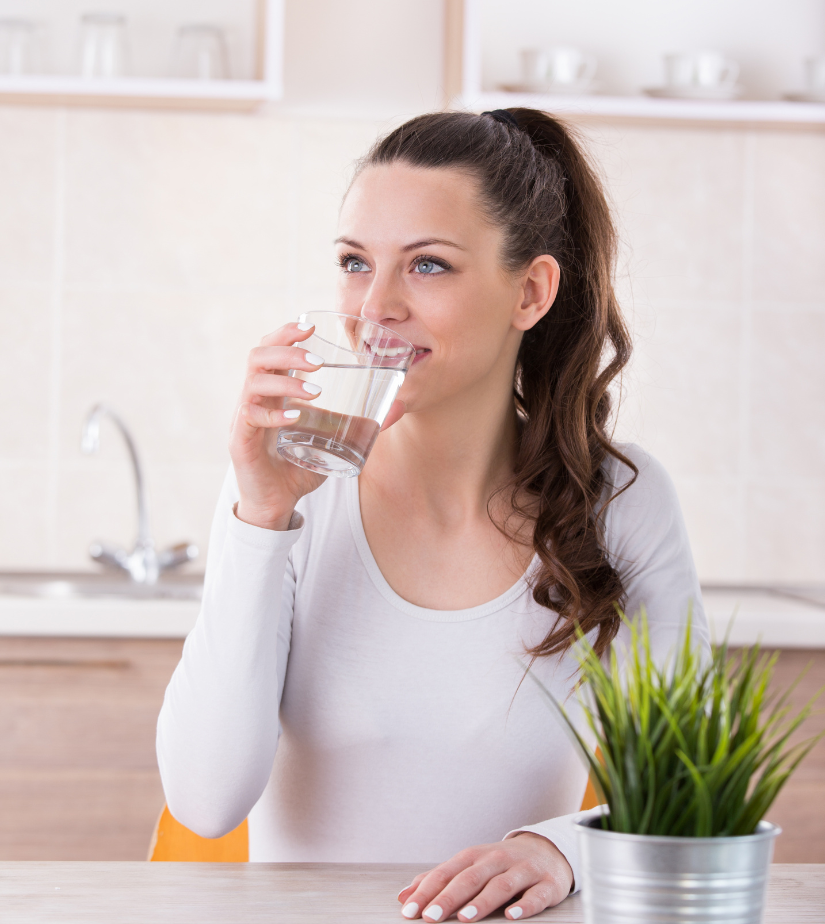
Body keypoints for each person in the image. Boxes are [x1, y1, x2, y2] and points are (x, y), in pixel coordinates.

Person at [156, 108, 708, 921]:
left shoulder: (619, 500)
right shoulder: (283, 491)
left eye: (428, 267)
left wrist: (561, 847)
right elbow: (205, 802)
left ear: (530, 291)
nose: (373, 306)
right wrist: (259, 516)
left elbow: (688, 796)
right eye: (354, 261)